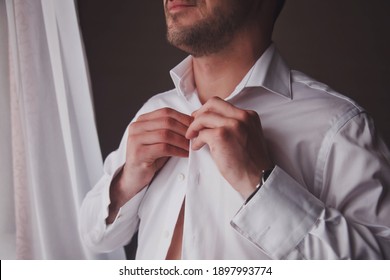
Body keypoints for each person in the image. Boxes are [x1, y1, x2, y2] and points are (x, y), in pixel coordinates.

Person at [79, 0, 390, 259]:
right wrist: (125, 183)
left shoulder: (338, 126)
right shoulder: (153, 111)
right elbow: (95, 238)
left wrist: (261, 186)